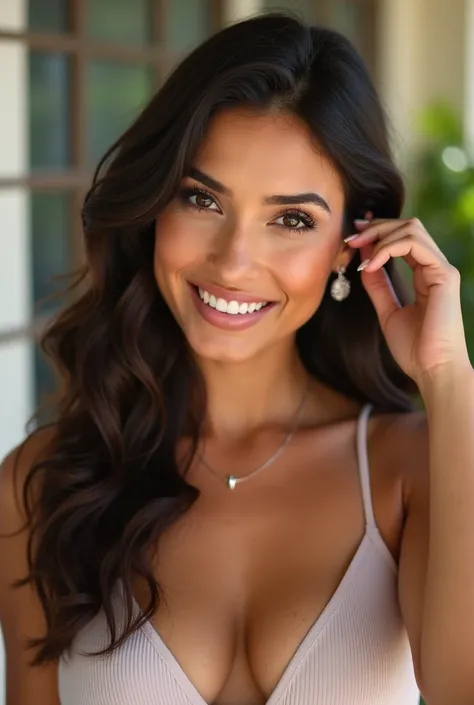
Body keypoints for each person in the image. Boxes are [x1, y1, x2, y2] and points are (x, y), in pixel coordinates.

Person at [2, 11, 474, 705]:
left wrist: (448, 376)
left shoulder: (411, 473)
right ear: (153, 206)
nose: (233, 262)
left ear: (357, 239)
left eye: (292, 219)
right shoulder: (43, 487)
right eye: (201, 198)